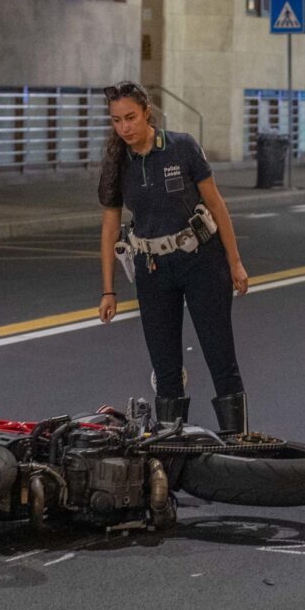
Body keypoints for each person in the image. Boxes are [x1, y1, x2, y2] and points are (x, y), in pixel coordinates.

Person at [96, 81, 251, 433]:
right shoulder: (116, 164)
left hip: (202, 261)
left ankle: (238, 441)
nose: (125, 128)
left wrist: (235, 261)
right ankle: (170, 447)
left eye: (131, 118)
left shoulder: (181, 147)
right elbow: (109, 229)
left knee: (219, 355)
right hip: (152, 269)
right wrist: (108, 290)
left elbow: (216, 204)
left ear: (147, 112)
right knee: (165, 366)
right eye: (117, 120)